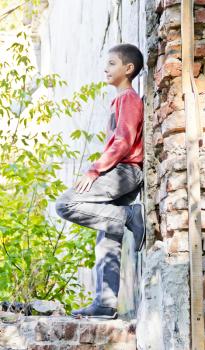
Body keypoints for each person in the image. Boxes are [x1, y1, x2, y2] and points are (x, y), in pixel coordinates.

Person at [55, 43, 145, 319]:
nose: (105, 68)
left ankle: (130, 215)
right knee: (107, 235)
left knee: (66, 204)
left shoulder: (128, 98)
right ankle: (105, 304)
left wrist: (95, 170)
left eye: (112, 63)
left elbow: (123, 142)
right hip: (119, 171)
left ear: (128, 69)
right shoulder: (118, 100)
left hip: (125, 171)